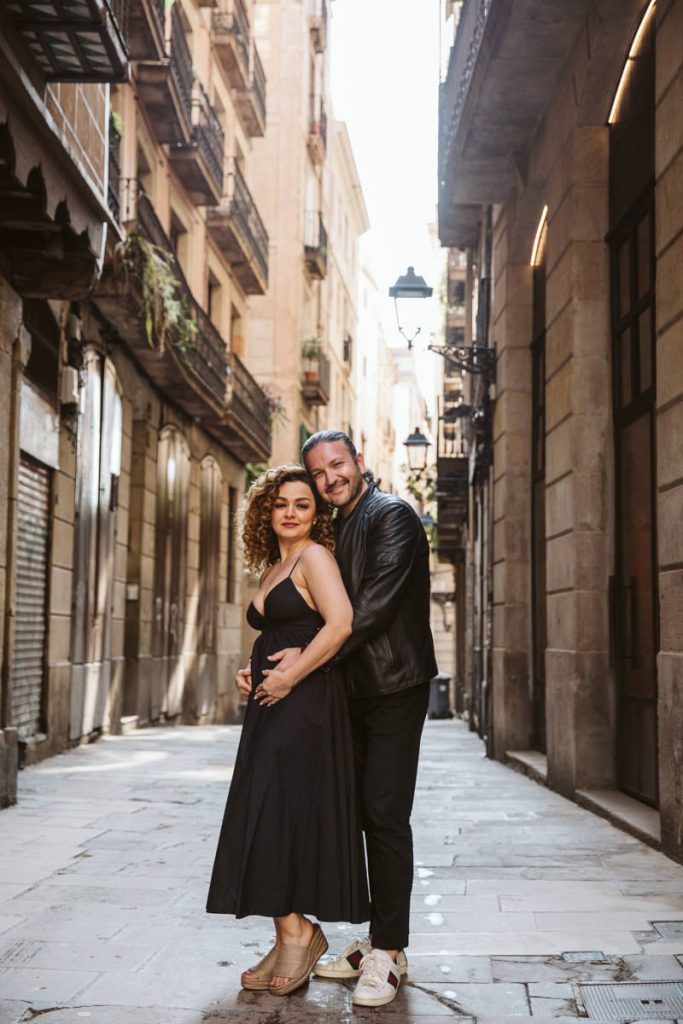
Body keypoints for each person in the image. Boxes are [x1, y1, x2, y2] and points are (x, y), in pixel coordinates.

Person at [237, 431, 437, 1007]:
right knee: (347, 811)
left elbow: (367, 610)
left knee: (385, 813)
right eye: (318, 471)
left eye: (337, 465)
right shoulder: (332, 526)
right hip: (343, 691)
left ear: (360, 463)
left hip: (393, 686)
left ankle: (390, 950)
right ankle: (371, 933)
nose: (329, 478)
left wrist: (302, 660)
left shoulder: (392, 515)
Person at [206, 464, 370, 997]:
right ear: (266, 512)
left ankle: (299, 933)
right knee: (267, 810)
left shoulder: (315, 557)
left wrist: (290, 676)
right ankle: (287, 931)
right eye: (280, 504)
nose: (291, 513)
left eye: (302, 504)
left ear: (316, 513)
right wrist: (253, 669)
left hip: (305, 703)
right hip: (273, 700)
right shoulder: (274, 567)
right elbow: (285, 630)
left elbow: (340, 623)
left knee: (278, 810)